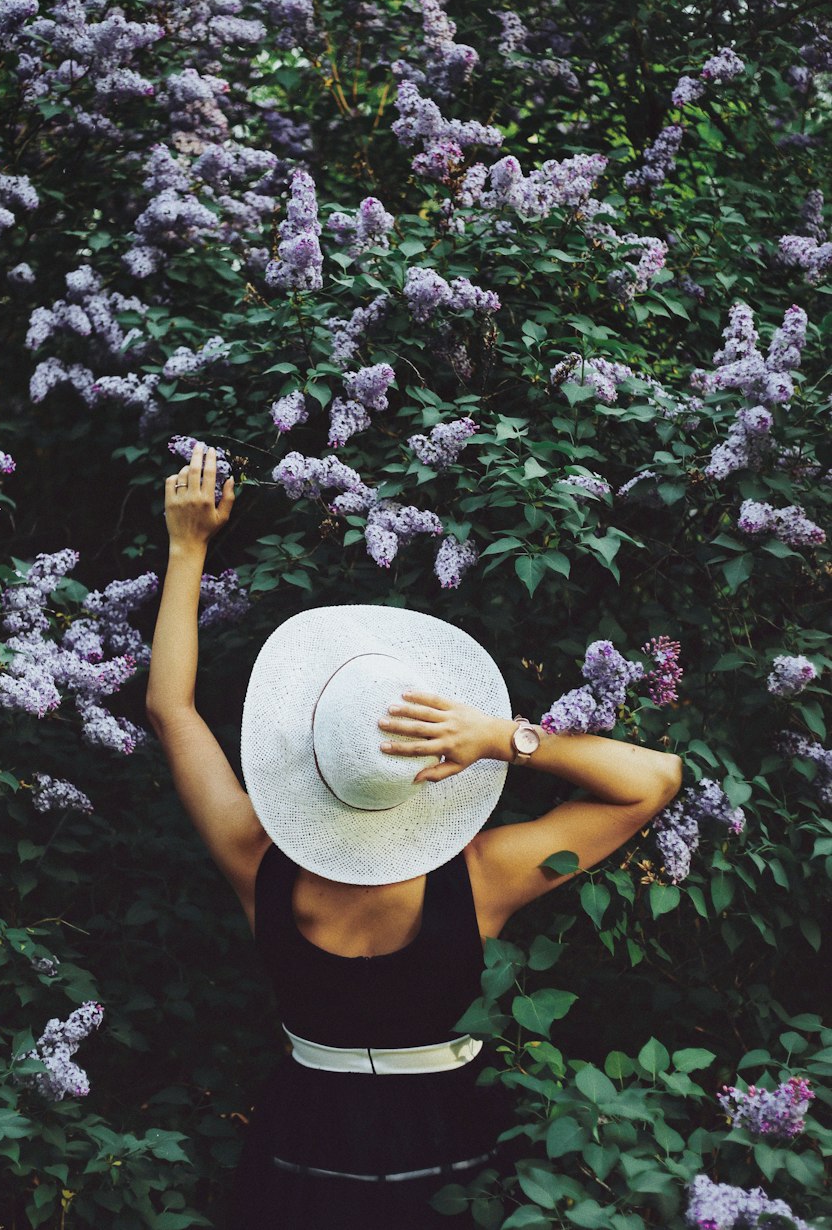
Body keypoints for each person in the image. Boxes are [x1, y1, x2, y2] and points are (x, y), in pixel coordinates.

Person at [144, 443, 683, 1230]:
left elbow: (172, 710)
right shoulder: (483, 878)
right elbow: (655, 779)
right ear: (432, 766)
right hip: (450, 1142)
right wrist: (504, 738)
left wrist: (186, 547)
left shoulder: (254, 860)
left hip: (302, 1139)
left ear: (306, 754)